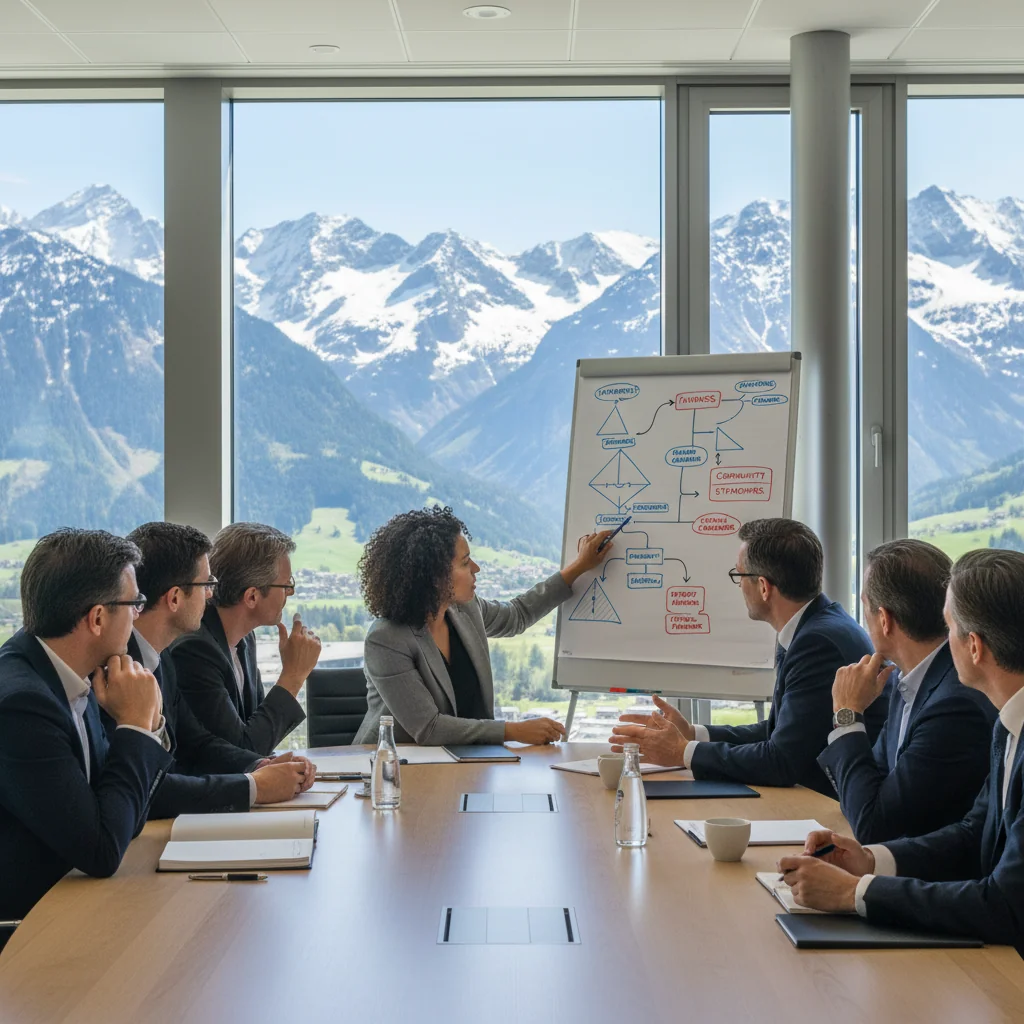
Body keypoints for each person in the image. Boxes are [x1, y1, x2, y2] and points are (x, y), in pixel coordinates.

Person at [780, 549, 1024, 953]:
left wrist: (854, 893)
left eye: (949, 629)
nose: (944, 643)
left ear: (975, 646)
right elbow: (973, 833)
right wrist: (871, 861)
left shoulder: (976, 710)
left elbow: (1005, 906)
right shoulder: (1008, 722)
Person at [610, 518, 885, 796]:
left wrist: (683, 752)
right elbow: (779, 732)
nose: (739, 586)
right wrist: (693, 734)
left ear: (764, 587)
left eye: (738, 575)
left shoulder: (817, 643)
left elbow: (782, 761)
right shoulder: (814, 627)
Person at [0, 529, 171, 931]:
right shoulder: (23, 706)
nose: (137, 616)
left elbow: (126, 817)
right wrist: (133, 725)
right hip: (26, 934)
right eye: (134, 604)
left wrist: (149, 724)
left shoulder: (75, 671)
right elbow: (100, 851)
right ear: (97, 618)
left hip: (72, 903)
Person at [354, 506, 612, 746]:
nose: (476, 568)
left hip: (467, 760)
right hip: (393, 771)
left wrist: (579, 567)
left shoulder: (465, 609)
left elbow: (516, 616)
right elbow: (429, 728)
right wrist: (512, 731)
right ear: (434, 577)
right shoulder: (386, 640)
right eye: (465, 563)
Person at [121, 522, 316, 816]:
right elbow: (152, 786)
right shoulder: (181, 651)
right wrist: (293, 676)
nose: (212, 594)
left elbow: (197, 742)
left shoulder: (160, 657)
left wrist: (257, 766)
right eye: (206, 585)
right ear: (174, 598)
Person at [817, 539, 995, 843]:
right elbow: (870, 787)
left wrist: (847, 715)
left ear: (885, 620)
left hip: (932, 878)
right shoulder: (909, 678)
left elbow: (872, 823)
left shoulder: (953, 705)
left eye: (865, 608)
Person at [170, 522, 321, 755]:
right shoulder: (195, 651)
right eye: (286, 585)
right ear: (252, 596)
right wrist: (293, 675)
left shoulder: (245, 639)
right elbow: (241, 751)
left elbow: (255, 730)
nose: (289, 593)